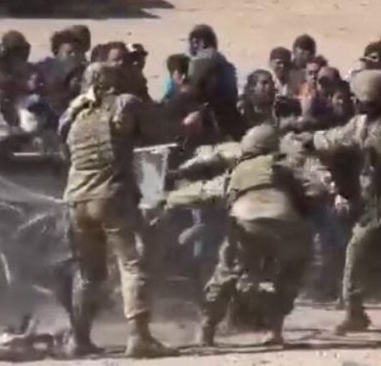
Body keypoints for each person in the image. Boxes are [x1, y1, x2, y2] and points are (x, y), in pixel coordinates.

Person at [302, 70, 381, 343]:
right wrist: (309, 140)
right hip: (375, 202)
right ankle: (354, 312)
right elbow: (336, 138)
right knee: (355, 252)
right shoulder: (361, 123)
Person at [59, 63, 175, 358]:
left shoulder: (73, 112)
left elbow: (64, 150)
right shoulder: (124, 103)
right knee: (131, 263)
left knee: (88, 272)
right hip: (111, 196)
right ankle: (139, 336)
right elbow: (157, 132)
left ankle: (78, 339)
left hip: (76, 198)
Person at [169, 125, 314, 347]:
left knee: (226, 273)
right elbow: (313, 190)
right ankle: (274, 329)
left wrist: (169, 199)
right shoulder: (286, 166)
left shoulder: (240, 169)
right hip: (286, 222)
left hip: (247, 221)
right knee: (290, 272)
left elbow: (206, 192)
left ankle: (207, 329)